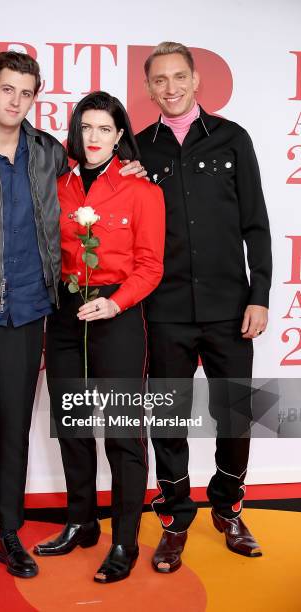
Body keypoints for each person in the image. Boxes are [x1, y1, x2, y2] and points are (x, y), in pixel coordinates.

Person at [0, 52, 143, 589]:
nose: (15, 101)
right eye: (6, 89)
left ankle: (9, 533)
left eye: (26, 93)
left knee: (13, 429)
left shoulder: (47, 155)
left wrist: (130, 164)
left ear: (35, 98)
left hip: (28, 313)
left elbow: (93, 182)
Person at [136, 42, 272, 573]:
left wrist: (259, 295)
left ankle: (229, 506)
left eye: (179, 77)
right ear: (148, 89)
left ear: (196, 81)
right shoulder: (139, 150)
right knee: (166, 418)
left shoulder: (233, 139)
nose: (170, 88)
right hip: (164, 308)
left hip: (229, 308)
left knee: (236, 415)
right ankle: (175, 520)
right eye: (160, 80)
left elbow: (256, 224)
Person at [33, 91, 165, 583]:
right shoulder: (57, 182)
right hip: (66, 314)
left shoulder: (142, 190)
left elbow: (152, 265)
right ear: (76, 131)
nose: (93, 138)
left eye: (104, 129)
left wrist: (116, 301)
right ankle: (80, 522)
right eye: (86, 128)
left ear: (119, 135)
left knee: (123, 435)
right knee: (72, 426)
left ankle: (125, 539)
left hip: (117, 313)